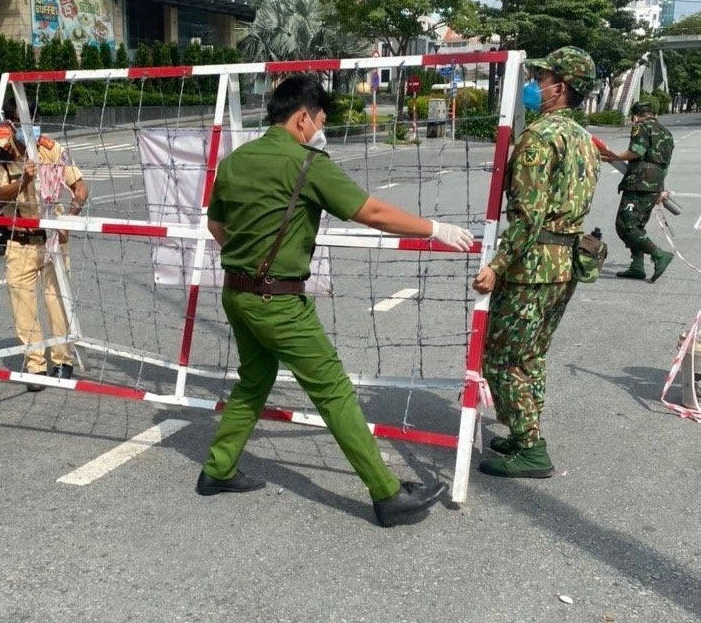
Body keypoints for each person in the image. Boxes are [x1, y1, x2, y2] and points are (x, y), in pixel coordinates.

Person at [196, 74, 474, 528]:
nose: (320, 128)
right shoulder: (307, 164)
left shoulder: (235, 161)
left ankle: (218, 469)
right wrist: (434, 229)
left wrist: (249, 256)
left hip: (237, 293)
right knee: (335, 393)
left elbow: (216, 227)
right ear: (302, 118)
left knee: (253, 381)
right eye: (321, 119)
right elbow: (373, 212)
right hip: (278, 303)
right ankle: (387, 495)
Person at [473, 47, 600, 479]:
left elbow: (529, 213)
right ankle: (523, 429)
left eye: (541, 78)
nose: (535, 85)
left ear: (559, 88)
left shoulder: (541, 137)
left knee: (503, 358)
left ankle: (531, 447)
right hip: (566, 263)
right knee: (531, 356)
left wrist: (498, 264)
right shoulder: (584, 137)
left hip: (533, 265)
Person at [0, 97, 89, 392]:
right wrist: (24, 181)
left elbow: (80, 187)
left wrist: (70, 218)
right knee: (22, 306)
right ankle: (36, 366)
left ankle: (62, 360)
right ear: (9, 125)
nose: (28, 130)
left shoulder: (51, 149)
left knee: (57, 301)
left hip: (52, 239)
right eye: (21, 124)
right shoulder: (1, 155)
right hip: (19, 240)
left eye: (32, 123)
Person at [598, 100, 674, 282]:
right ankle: (637, 266)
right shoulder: (667, 133)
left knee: (625, 225)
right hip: (655, 182)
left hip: (639, 181)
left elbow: (637, 151)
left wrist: (615, 156)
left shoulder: (640, 127)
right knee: (637, 224)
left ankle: (659, 254)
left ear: (635, 116)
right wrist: (659, 190)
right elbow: (664, 164)